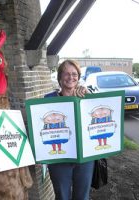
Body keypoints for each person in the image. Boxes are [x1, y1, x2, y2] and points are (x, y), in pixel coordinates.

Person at [45, 59, 94, 200]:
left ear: (78, 77)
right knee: (62, 196)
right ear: (60, 77)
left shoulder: (86, 97)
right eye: (66, 74)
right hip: (59, 157)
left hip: (84, 157)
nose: (70, 77)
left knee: (82, 197)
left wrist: (89, 96)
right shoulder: (48, 99)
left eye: (74, 74)